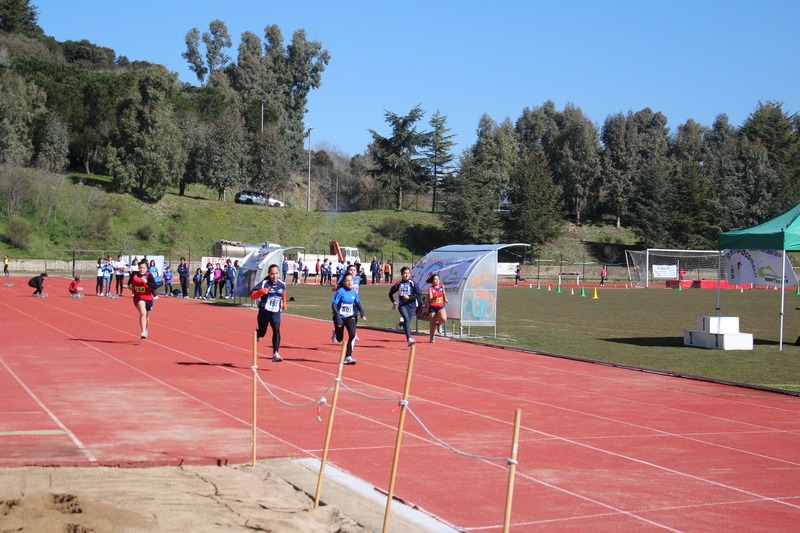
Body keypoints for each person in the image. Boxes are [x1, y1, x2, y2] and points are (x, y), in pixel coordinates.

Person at [250, 264, 287, 362]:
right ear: (268, 274)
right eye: (272, 274)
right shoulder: (264, 283)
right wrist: (262, 291)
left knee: (276, 329)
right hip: (264, 311)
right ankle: (259, 332)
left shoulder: (282, 284)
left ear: (279, 273)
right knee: (263, 332)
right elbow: (252, 295)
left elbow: (283, 293)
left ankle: (275, 353)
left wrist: (284, 304)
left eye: (276, 274)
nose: (274, 276)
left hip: (275, 312)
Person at [331, 272, 366, 365]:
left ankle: (348, 356)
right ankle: (335, 332)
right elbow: (334, 305)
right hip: (340, 317)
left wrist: (362, 313)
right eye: (347, 281)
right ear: (343, 282)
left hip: (350, 317)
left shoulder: (354, 292)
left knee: (352, 335)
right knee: (339, 339)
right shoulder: (340, 291)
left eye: (351, 280)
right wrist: (338, 318)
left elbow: (358, 304)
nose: (349, 282)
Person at [388, 266, 420, 346]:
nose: (407, 275)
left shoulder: (413, 283)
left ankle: (401, 324)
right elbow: (390, 293)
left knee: (407, 322)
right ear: (401, 274)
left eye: (408, 273)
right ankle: (409, 339)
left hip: (412, 305)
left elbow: (419, 295)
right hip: (402, 305)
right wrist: (393, 302)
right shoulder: (399, 284)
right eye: (405, 273)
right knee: (406, 319)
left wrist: (409, 297)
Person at [128, 259, 158, 339]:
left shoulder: (149, 275)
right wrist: (130, 287)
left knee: (147, 317)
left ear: (146, 268)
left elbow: (155, 286)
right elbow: (129, 283)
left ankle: (146, 329)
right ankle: (143, 332)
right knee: (143, 313)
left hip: (148, 298)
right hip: (138, 297)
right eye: (140, 268)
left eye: (143, 268)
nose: (141, 269)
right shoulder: (134, 274)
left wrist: (147, 282)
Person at [427, 273, 449, 343]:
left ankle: (439, 324)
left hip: (440, 306)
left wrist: (445, 299)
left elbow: (444, 293)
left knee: (444, 318)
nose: (437, 281)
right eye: (435, 279)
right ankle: (432, 336)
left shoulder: (442, 286)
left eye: (438, 279)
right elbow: (430, 299)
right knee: (432, 324)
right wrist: (434, 298)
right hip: (432, 307)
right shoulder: (431, 288)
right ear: (432, 281)